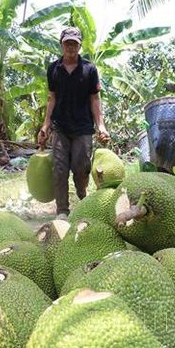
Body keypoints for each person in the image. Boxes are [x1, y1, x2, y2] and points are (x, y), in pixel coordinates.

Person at [38, 27, 110, 220]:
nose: (70, 47)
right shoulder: (53, 69)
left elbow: (95, 99)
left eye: (74, 44)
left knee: (81, 167)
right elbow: (52, 97)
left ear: (79, 46)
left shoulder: (89, 69)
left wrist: (100, 125)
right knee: (60, 169)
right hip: (60, 127)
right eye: (67, 43)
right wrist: (46, 125)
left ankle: (82, 194)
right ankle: (62, 210)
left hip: (83, 127)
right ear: (61, 44)